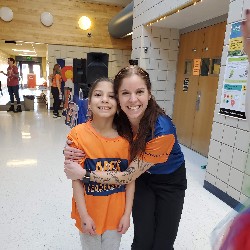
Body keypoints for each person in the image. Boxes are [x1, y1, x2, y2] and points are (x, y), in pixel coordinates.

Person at [64, 66, 187, 250]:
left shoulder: (163, 130)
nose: (133, 100)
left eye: (139, 92)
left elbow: (127, 176)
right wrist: (70, 149)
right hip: (141, 178)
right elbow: (92, 134)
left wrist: (85, 174)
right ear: (119, 98)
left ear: (149, 94)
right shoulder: (121, 119)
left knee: (163, 243)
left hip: (168, 182)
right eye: (125, 93)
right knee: (143, 239)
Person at [66, 78, 135, 250]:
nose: (104, 99)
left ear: (118, 104)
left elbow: (130, 179)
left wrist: (127, 214)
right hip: (90, 214)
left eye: (111, 96)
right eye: (98, 95)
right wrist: (83, 216)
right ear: (89, 103)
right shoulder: (78, 134)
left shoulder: (127, 139)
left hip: (116, 214)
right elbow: (76, 179)